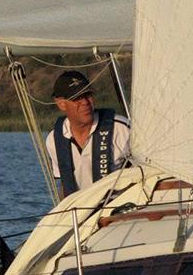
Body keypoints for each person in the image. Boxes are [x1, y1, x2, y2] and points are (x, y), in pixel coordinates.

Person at [45, 70, 131, 198]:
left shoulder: (121, 128)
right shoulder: (54, 140)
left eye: (88, 95)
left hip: (121, 208)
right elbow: (64, 185)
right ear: (61, 104)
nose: (85, 102)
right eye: (77, 98)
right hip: (81, 212)